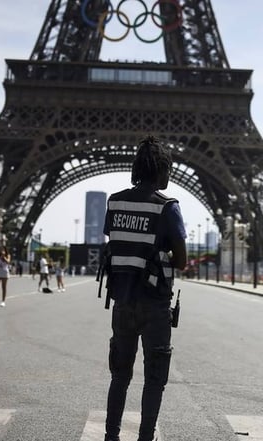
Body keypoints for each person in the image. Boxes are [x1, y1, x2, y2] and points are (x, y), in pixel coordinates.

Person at [102, 135, 187, 441]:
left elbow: (117, 248)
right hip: (155, 304)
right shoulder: (168, 207)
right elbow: (182, 262)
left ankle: (111, 436)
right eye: (168, 169)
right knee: (154, 378)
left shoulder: (115, 201)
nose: (170, 175)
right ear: (161, 169)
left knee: (120, 376)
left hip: (122, 301)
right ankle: (145, 438)